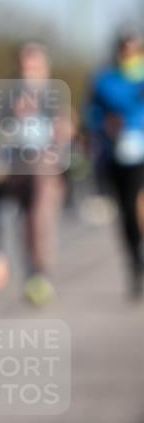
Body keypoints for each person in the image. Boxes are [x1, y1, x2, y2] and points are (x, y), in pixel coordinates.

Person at [0, 42, 72, 306]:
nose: (29, 70)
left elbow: (65, 129)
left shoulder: (54, 95)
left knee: (39, 219)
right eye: (25, 64)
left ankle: (39, 273)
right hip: (14, 167)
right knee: (20, 223)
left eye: (34, 64)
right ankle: (25, 269)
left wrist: (61, 136)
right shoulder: (9, 95)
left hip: (44, 168)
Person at [85, 27, 144, 298]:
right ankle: (135, 263)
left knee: (139, 202)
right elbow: (91, 114)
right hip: (117, 154)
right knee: (127, 212)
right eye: (125, 50)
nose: (130, 55)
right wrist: (104, 124)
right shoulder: (104, 80)